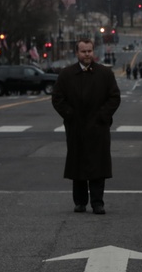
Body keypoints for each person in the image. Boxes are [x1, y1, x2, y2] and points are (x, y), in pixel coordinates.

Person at [51, 38, 121, 215]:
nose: (87, 54)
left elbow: (114, 97)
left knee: (99, 166)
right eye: (83, 51)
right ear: (77, 53)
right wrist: (70, 115)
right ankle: (80, 202)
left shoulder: (105, 73)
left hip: (98, 127)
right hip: (76, 127)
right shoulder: (67, 74)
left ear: (93, 52)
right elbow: (57, 98)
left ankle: (98, 203)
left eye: (89, 51)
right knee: (78, 165)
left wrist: (103, 116)